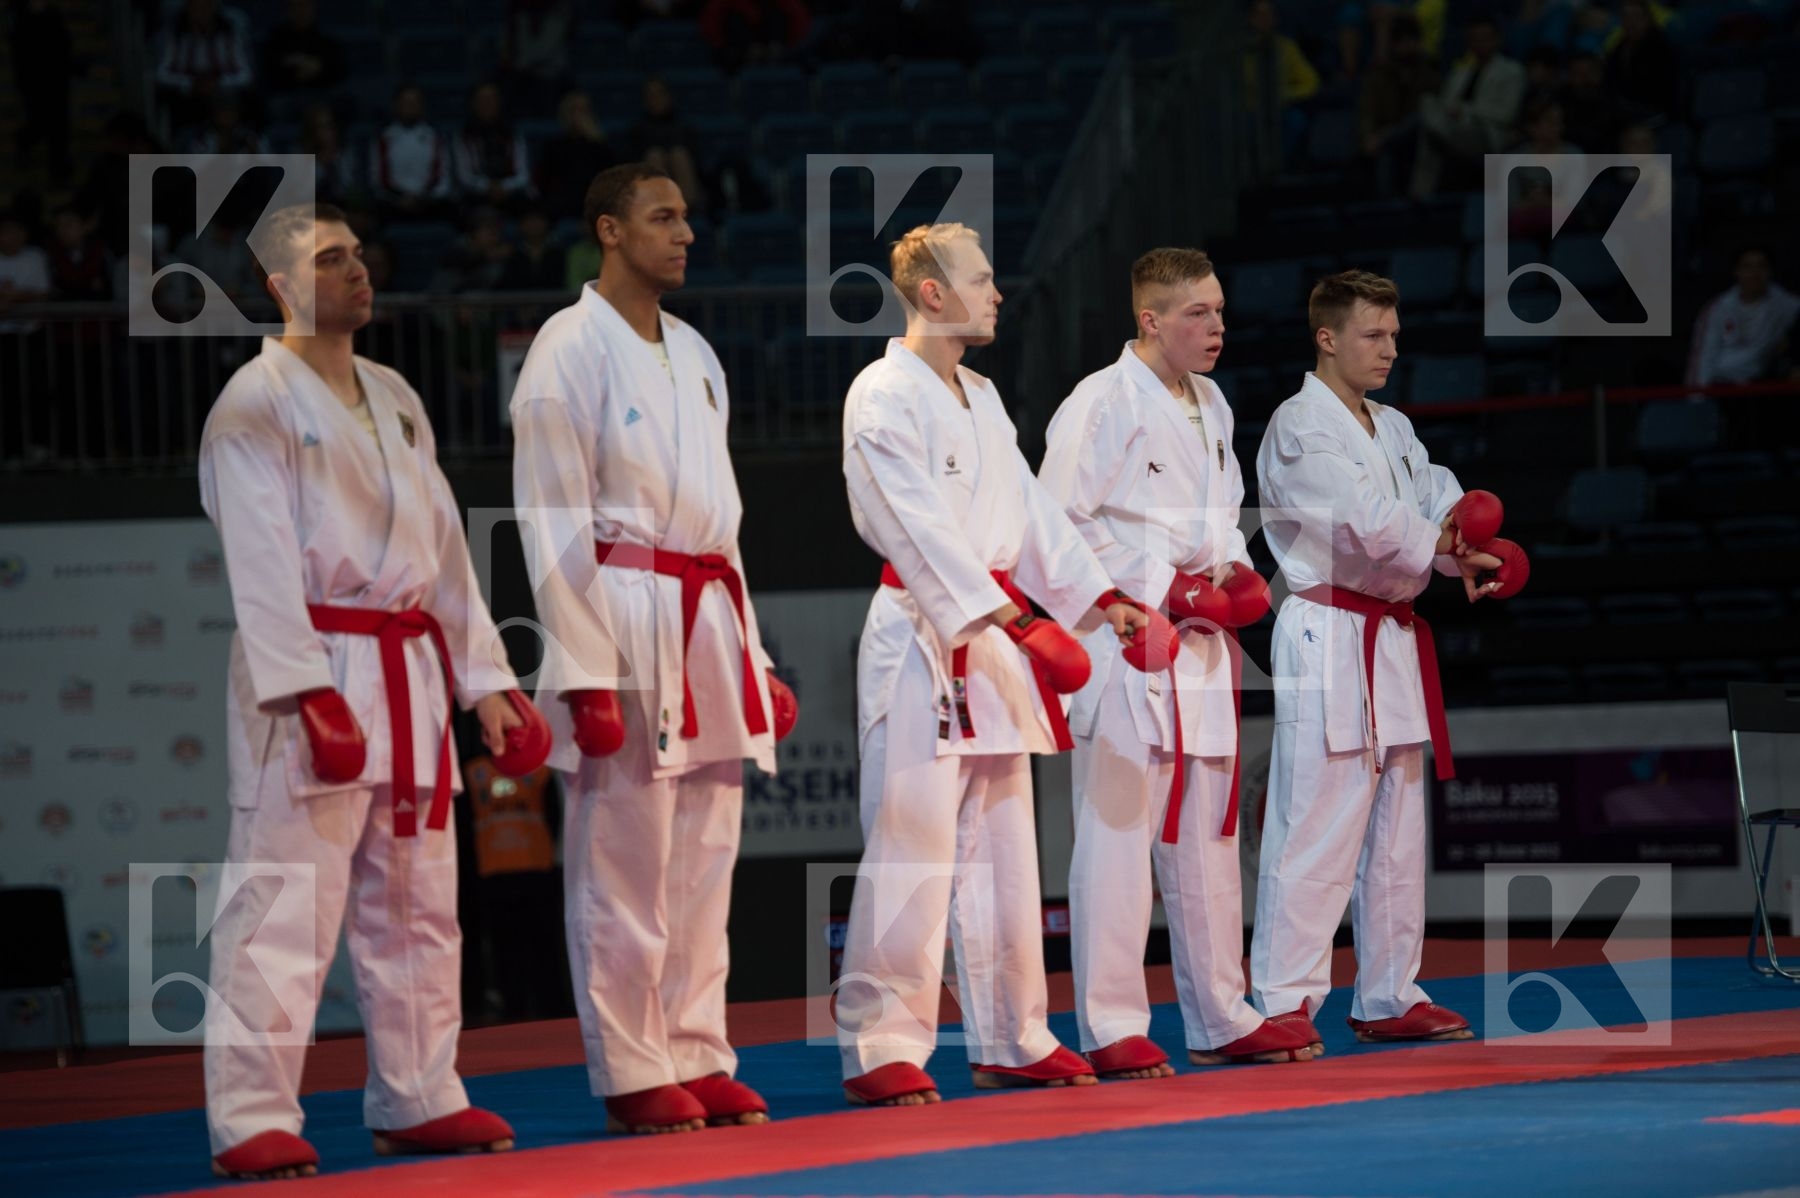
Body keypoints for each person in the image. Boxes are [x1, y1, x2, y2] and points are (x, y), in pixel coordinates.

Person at [197, 201, 552, 1180]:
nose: (359, 270)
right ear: (277, 286)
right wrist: (304, 690)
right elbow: (259, 565)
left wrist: (488, 685)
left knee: (420, 900)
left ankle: (418, 1093)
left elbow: (443, 555)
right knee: (284, 900)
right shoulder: (253, 405)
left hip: (409, 671)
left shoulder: (395, 393)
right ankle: (249, 1114)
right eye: (330, 259)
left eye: (358, 254)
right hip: (316, 662)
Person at [836, 222, 1156, 1107]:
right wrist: (1011, 615)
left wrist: (1101, 600)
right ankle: (882, 1042)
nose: (998, 292)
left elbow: (1036, 518)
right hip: (924, 636)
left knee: (1005, 849)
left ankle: (1016, 1033)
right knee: (913, 840)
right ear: (931, 293)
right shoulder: (882, 393)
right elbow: (906, 522)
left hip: (997, 638)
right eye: (982, 279)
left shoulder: (981, 395)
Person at [509, 163, 798, 1135]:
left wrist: (752, 658)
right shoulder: (566, 347)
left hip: (707, 603)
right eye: (662, 216)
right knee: (625, 854)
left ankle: (697, 1045)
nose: (684, 232)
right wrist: (581, 670)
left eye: (687, 215)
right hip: (624, 608)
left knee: (706, 849)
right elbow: (549, 521)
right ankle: (632, 1064)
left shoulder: (698, 351)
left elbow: (725, 525)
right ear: (609, 230)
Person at [1039, 248, 1314, 1081]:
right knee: (1119, 838)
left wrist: (1230, 569)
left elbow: (1222, 517)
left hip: (1199, 644)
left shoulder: (1214, 403)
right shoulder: (1099, 401)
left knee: (1206, 836)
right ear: (1151, 320)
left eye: (1222, 311)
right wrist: (1166, 584)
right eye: (1199, 313)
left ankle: (1221, 1013)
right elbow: (1055, 525)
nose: (1218, 326)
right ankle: (1112, 1022)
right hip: (1127, 639)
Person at [1250, 270, 1518, 1057]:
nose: (1390, 350)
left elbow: (1439, 498)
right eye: (1374, 335)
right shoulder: (1301, 425)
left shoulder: (1394, 427)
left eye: (1395, 335)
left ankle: (1390, 992)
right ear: (1327, 337)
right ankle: (1283, 998)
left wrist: (1467, 548)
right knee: (1316, 823)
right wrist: (1442, 542)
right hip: (1329, 631)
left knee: (1398, 832)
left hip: (1393, 637)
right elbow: (1362, 520)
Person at [1409, 14, 1524, 198]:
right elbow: (1446, 103)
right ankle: (1420, 197)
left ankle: (1419, 194)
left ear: (1497, 40)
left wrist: (1467, 111)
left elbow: (1506, 114)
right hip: (1454, 128)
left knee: (1429, 130)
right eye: (1474, 39)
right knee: (1428, 106)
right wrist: (1452, 111)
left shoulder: (1511, 72)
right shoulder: (1460, 72)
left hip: (1486, 133)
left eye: (1485, 38)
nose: (1479, 44)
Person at [1687, 247, 1799, 387]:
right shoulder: (1718, 308)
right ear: (1737, 271)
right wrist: (1699, 400)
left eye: (1761, 266)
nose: (1754, 273)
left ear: (1770, 272)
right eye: (1747, 266)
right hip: (1719, 383)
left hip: (1758, 385)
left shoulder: (1784, 304)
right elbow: (1704, 357)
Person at [372, 85, 454, 221]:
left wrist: (422, 199)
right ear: (396, 105)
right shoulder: (384, 138)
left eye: (414, 102)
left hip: (429, 202)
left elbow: (442, 177)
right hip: (393, 203)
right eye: (405, 102)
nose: (410, 106)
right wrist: (400, 198)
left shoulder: (434, 138)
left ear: (422, 106)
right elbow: (379, 179)